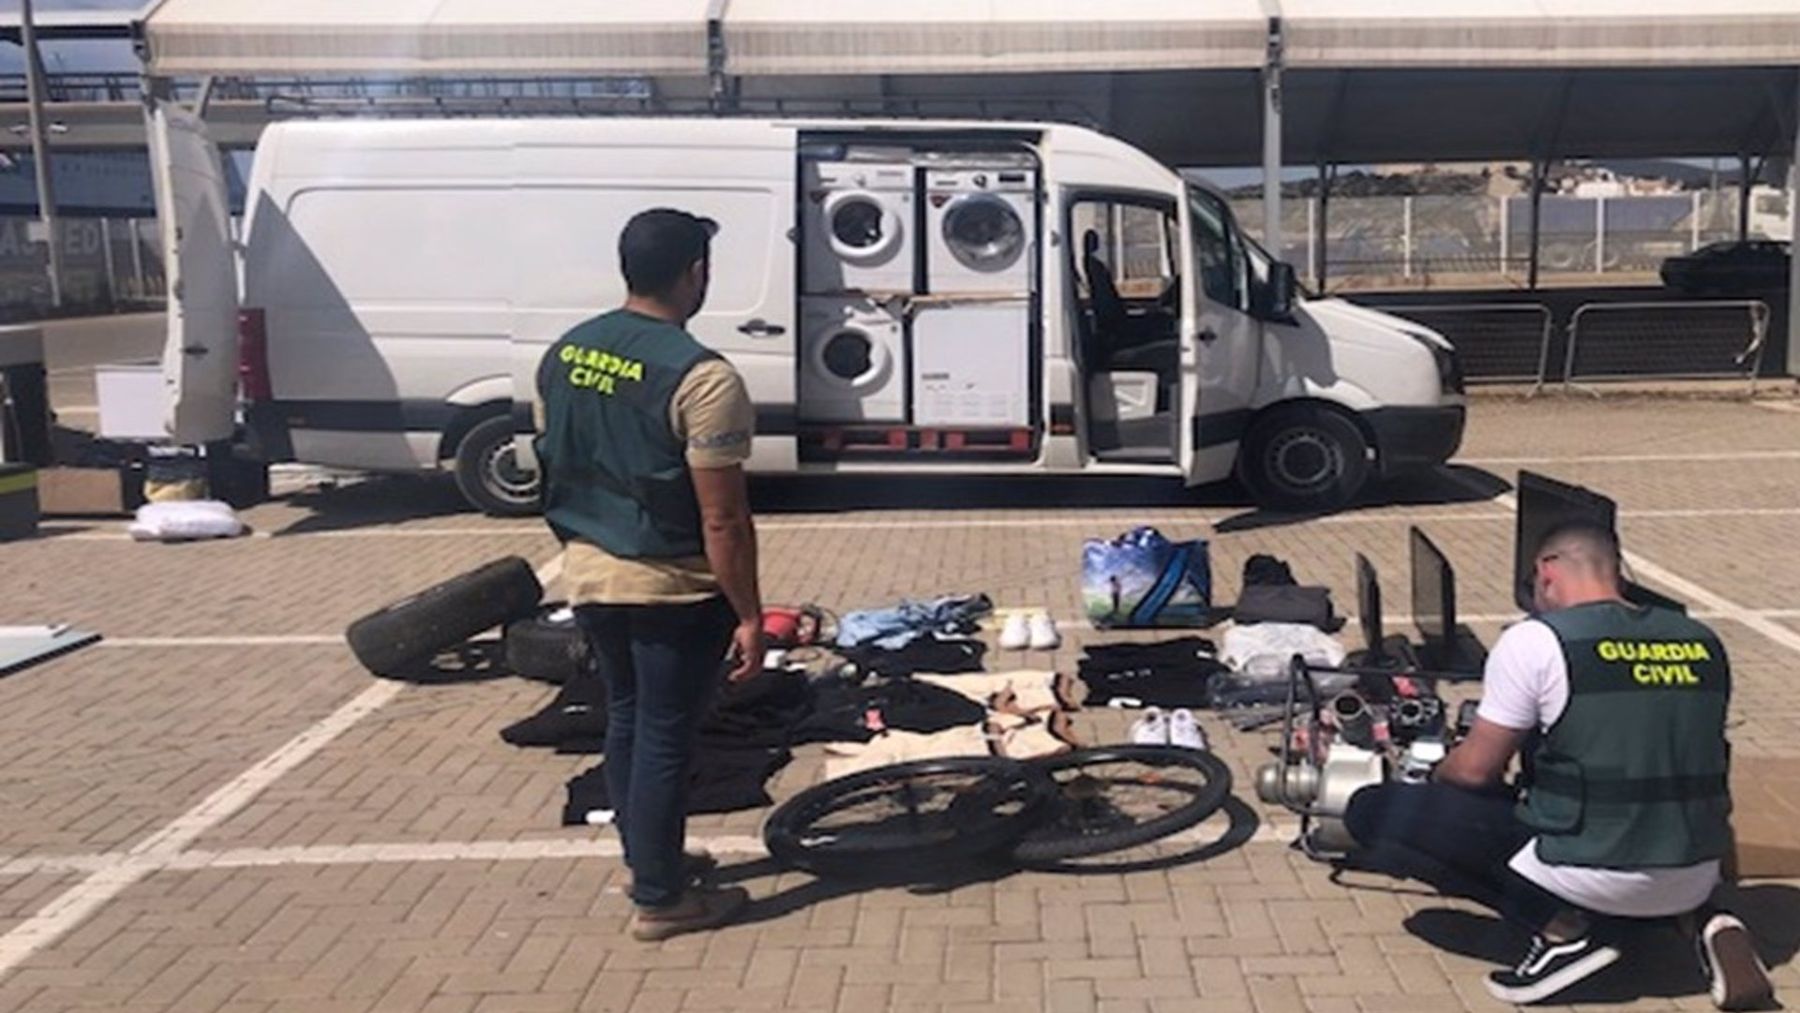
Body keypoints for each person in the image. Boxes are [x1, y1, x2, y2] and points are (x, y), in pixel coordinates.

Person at [1344, 521, 1773, 1009]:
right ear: (1618, 572)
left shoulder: (1537, 640)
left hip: (1594, 864)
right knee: (1626, 816)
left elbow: (1474, 772)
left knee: (1375, 810)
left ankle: (1563, 931)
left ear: (1546, 572)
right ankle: (1701, 921)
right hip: (1696, 868)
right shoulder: (1701, 639)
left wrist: (1433, 772)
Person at [534, 208, 763, 942]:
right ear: (696, 272)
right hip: (672, 587)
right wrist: (750, 613)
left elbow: (556, 461)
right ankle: (662, 899)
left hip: (591, 576)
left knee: (629, 722)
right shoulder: (702, 375)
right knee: (665, 735)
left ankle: (649, 858)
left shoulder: (564, 354)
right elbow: (723, 519)